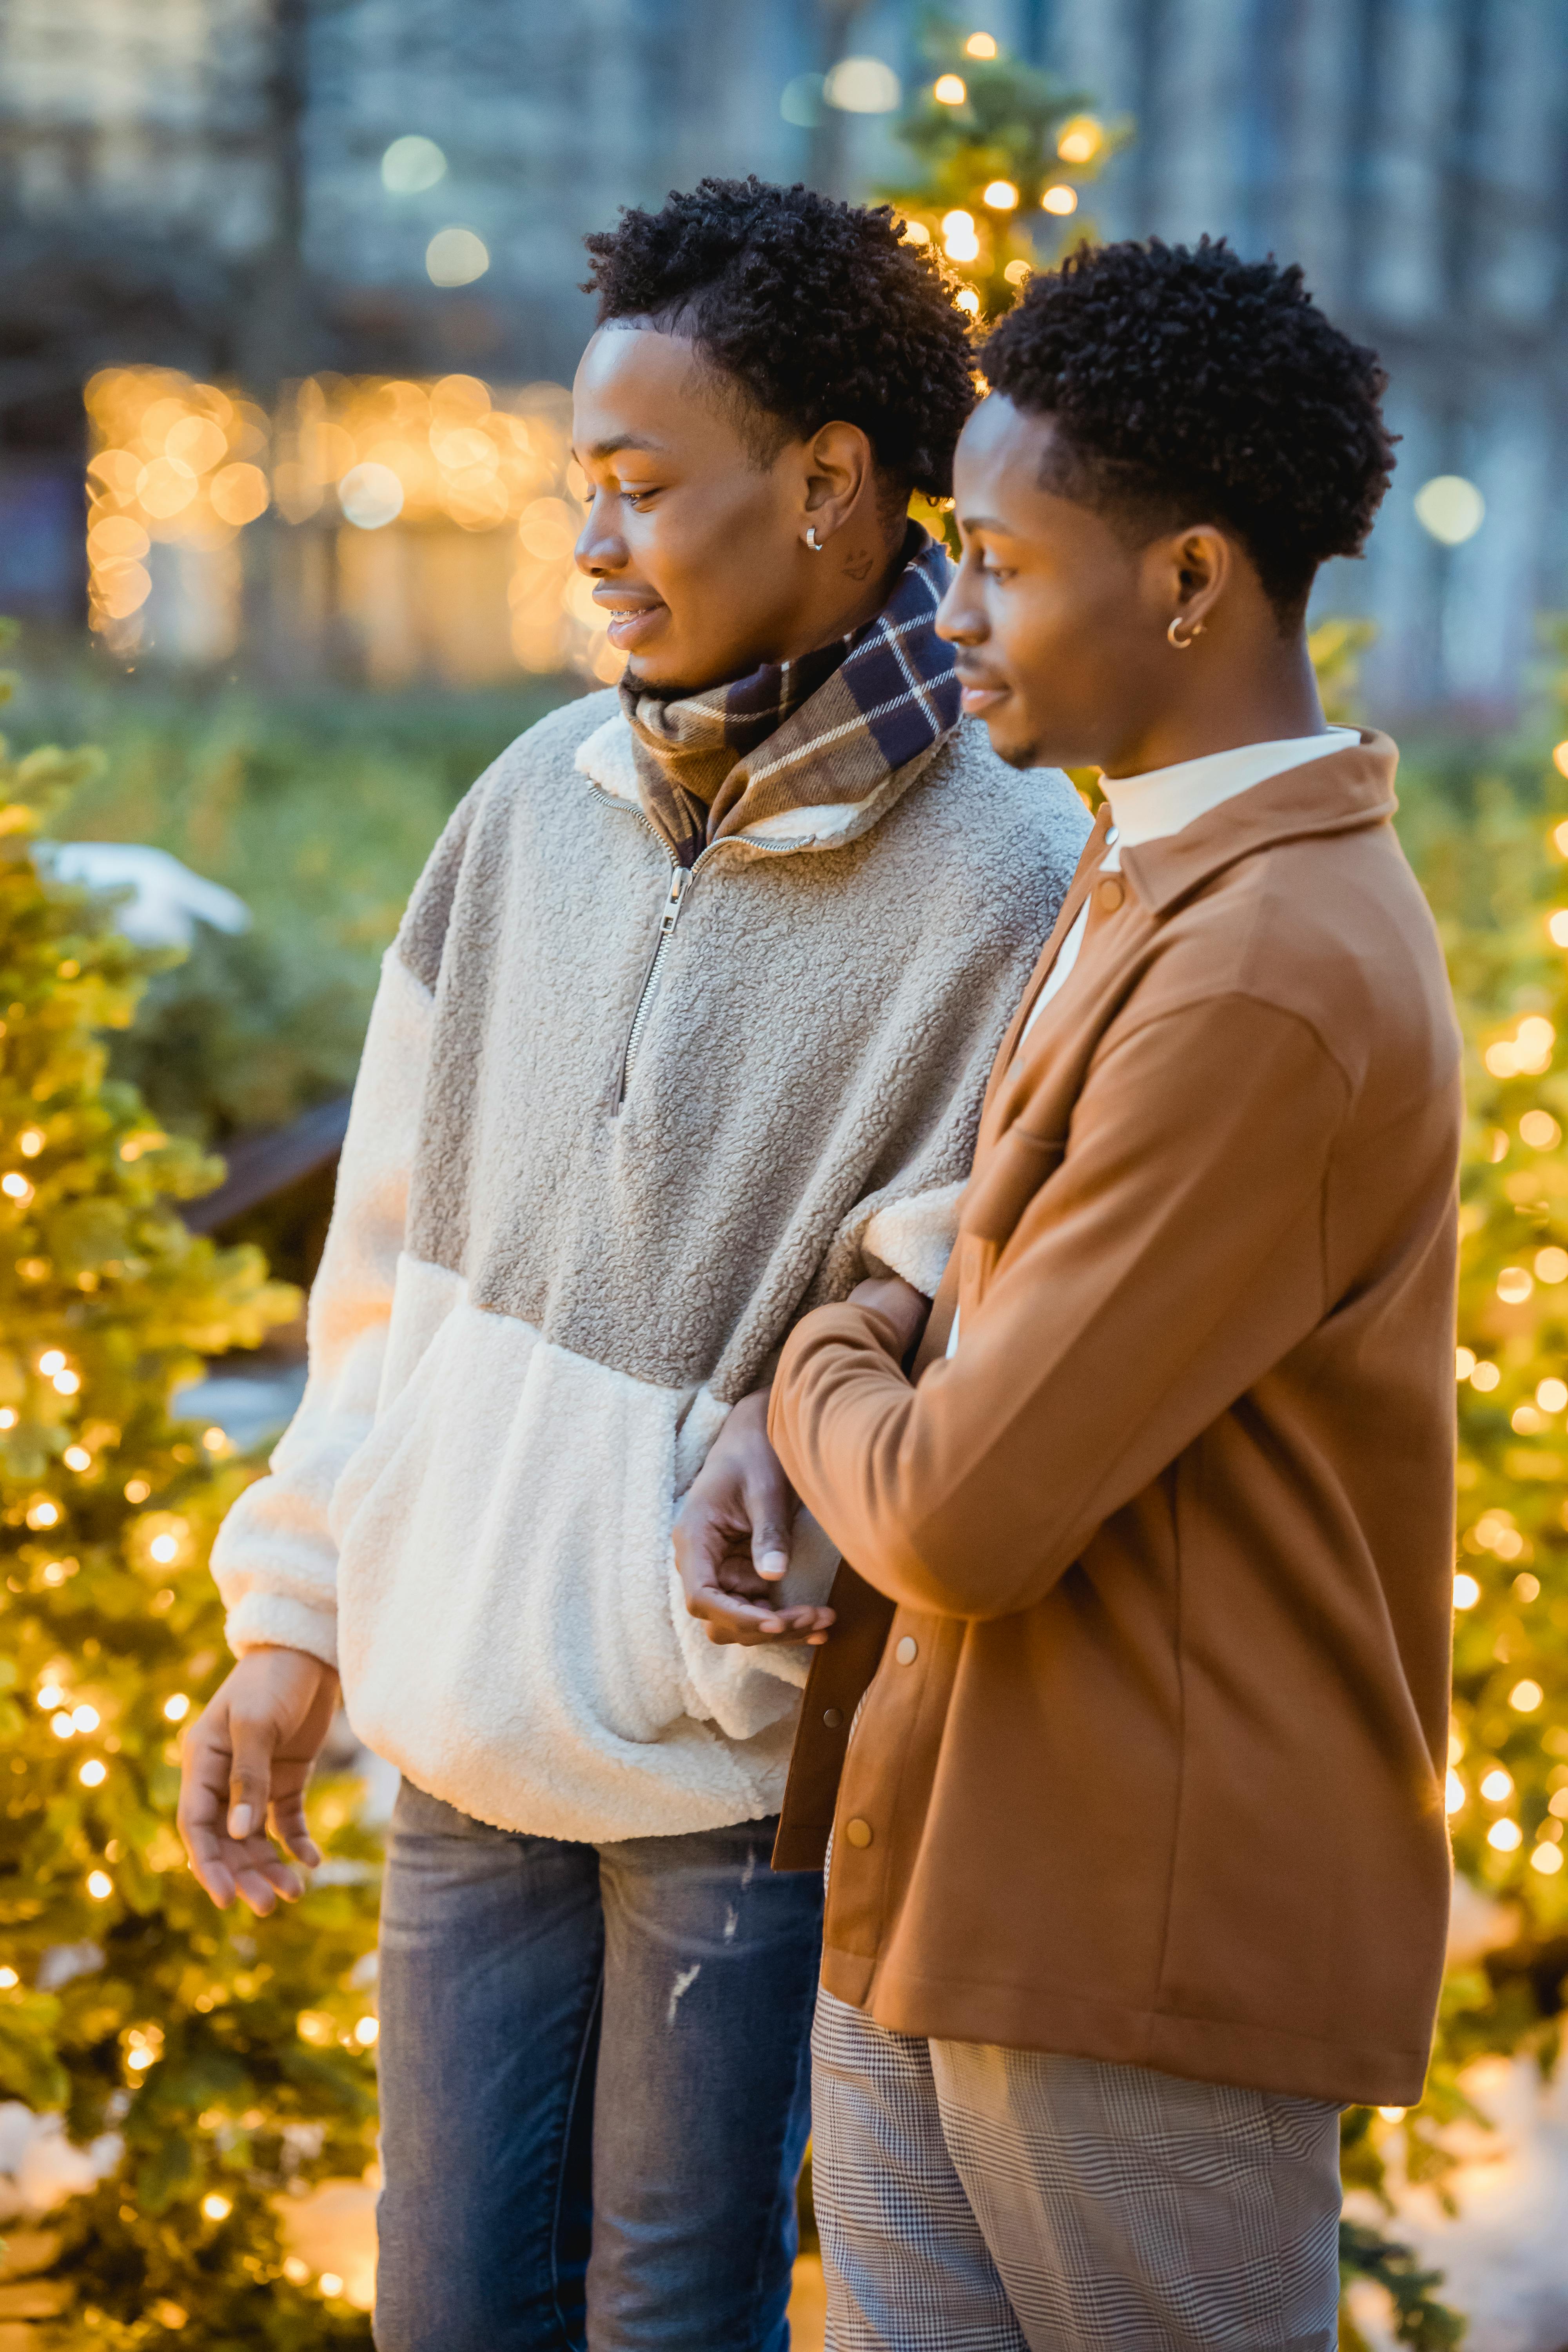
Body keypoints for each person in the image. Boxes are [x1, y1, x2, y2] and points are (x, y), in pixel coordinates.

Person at [176, 177, 1089, 2352]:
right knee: (444, 2303)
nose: (590, 541)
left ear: (835, 481)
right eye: (575, 487)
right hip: (464, 1723)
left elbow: (967, 1292)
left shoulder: (1019, 872)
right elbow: (384, 1267)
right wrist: (297, 1614)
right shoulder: (527, 804)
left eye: (638, 487)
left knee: (675, 2312)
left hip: (731, 1764)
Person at [678, 237, 1460, 2351]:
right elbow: (956, 1286)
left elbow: (957, 1508)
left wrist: (815, 1359)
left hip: (1137, 1949)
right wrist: (861, 1352)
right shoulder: (1151, 878)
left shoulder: (1272, 973)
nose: (950, 620)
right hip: (965, 1885)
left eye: (998, 569)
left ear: (1189, 585)